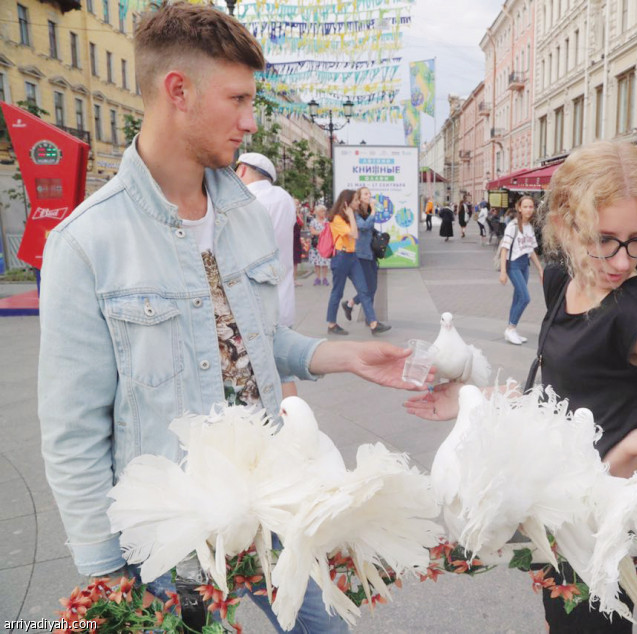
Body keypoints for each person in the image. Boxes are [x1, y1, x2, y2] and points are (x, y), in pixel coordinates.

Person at [36, 5, 421, 632]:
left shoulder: (242, 212)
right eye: (238, 99)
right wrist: (106, 572)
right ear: (178, 91)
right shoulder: (87, 242)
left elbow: (258, 341)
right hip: (168, 542)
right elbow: (71, 429)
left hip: (270, 503)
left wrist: (342, 355)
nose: (249, 122)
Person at [404, 140, 637, 632]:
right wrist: (476, 399)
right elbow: (564, 387)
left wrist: (633, 444)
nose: (624, 261)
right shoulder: (562, 278)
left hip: (602, 518)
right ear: (563, 224)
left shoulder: (634, 312)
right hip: (555, 505)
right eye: (605, 239)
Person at [236, 152, 297, 318]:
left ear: (241, 170)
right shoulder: (285, 198)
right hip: (283, 301)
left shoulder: (242, 198)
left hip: (253, 307)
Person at [326, 189, 390, 335]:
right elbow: (355, 234)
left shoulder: (350, 217)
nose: (358, 202)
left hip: (353, 257)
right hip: (341, 258)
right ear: (347, 203)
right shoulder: (337, 219)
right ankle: (331, 324)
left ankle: (374, 324)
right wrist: (350, 215)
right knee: (337, 292)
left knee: (364, 290)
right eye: (355, 200)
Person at [499, 195, 544, 345]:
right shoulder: (512, 226)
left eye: (531, 207)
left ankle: (511, 330)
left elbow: (530, 250)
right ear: (519, 208)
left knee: (518, 297)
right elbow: (504, 250)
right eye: (525, 206)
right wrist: (503, 272)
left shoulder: (529, 226)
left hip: (524, 265)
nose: (528, 209)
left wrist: (540, 270)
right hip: (513, 265)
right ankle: (510, 328)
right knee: (525, 298)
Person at [341, 187, 379, 325]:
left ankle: (350, 304)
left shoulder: (368, 210)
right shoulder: (356, 212)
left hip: (371, 253)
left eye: (369, 193)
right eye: (365, 194)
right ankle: (370, 320)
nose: (369, 195)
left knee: (373, 287)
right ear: (360, 197)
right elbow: (363, 226)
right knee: (368, 287)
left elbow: (370, 228)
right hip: (361, 254)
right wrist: (373, 211)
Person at [308, 204, 330, 286]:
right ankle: (318, 278)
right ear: (317, 212)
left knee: (325, 262)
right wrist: (323, 232)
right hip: (316, 245)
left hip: (325, 244)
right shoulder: (313, 221)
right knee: (316, 262)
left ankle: (324, 278)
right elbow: (312, 232)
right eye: (322, 211)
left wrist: (319, 232)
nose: (323, 212)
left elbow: (329, 232)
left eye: (324, 211)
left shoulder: (327, 221)